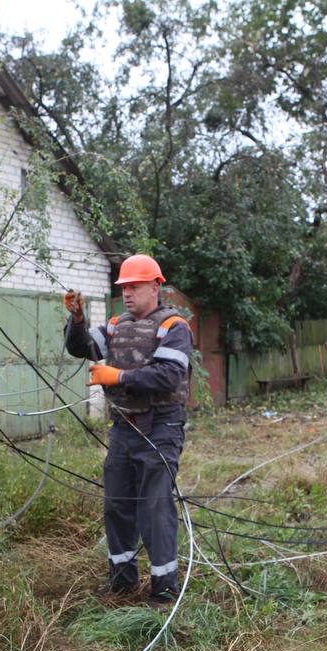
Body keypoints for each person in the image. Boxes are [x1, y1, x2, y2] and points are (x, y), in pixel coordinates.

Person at [63, 254, 194, 604]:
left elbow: (168, 376)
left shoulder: (173, 326)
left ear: (155, 286)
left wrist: (118, 376)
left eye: (135, 286)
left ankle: (164, 589)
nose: (128, 294)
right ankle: (122, 583)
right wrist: (77, 318)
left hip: (160, 427)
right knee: (117, 504)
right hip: (123, 427)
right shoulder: (115, 325)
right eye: (124, 288)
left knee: (154, 505)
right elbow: (81, 347)